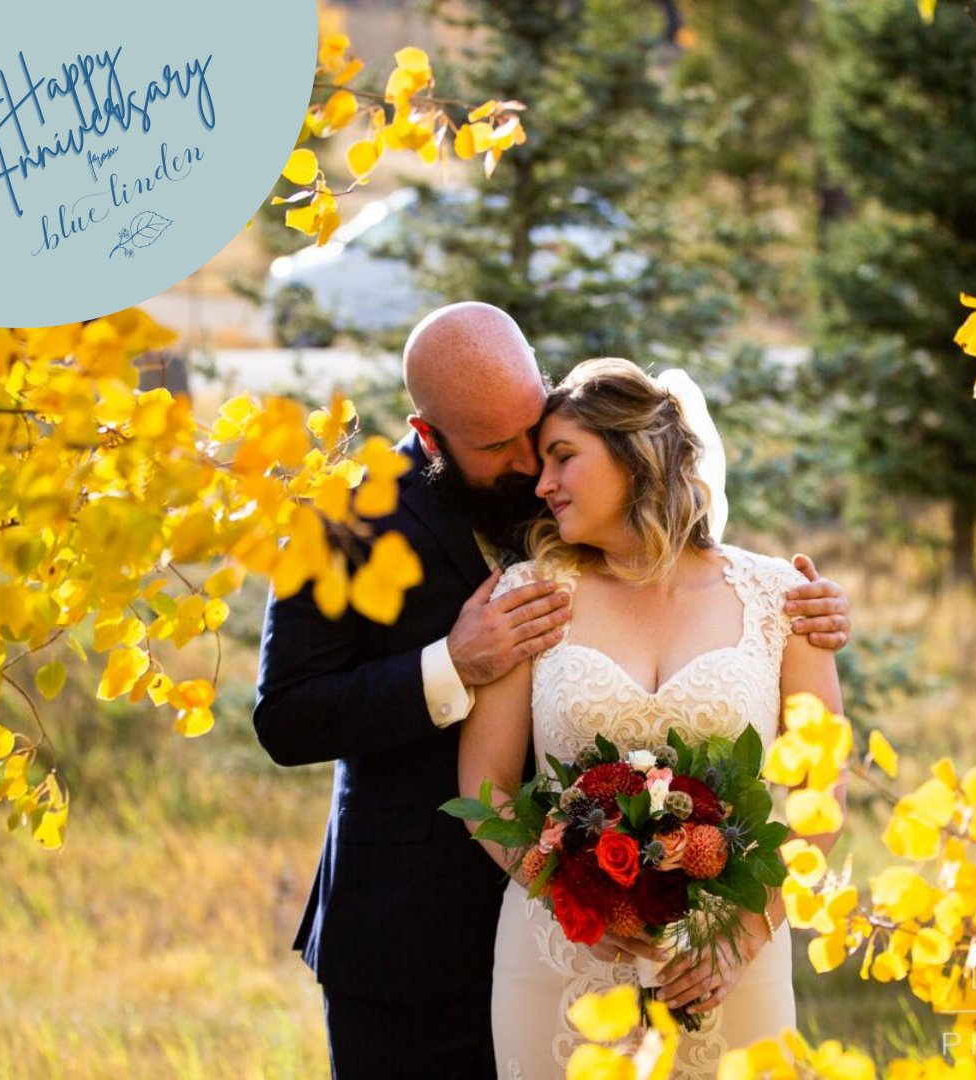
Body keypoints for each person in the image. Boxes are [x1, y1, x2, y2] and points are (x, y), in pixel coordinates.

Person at [253, 304, 850, 1080]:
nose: (530, 466)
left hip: (624, 927)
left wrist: (812, 614)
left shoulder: (568, 472)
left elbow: (672, 545)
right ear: (430, 437)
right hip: (411, 928)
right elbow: (285, 717)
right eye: (497, 447)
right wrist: (451, 664)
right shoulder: (340, 520)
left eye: (534, 431)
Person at [458, 357, 846, 1079]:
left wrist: (741, 939)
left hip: (729, 962)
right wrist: (565, 896)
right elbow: (485, 788)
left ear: (635, 455)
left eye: (563, 456)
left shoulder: (780, 598)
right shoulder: (531, 594)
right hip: (561, 958)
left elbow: (823, 796)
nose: (542, 484)